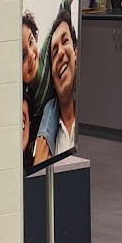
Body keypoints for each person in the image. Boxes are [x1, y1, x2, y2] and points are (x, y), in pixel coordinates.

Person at [48, 8, 78, 158]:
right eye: (54, 52)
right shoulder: (47, 135)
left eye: (65, 41)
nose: (60, 53)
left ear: (76, 54)